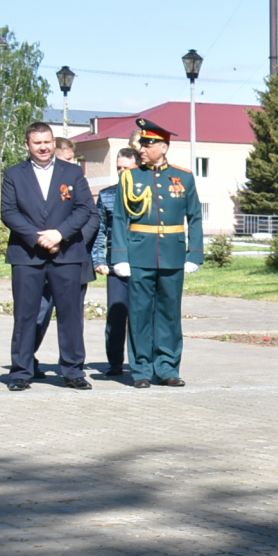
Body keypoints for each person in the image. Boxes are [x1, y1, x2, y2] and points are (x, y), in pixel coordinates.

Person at [3, 122, 96, 391]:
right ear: (27, 145)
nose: (43, 147)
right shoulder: (14, 174)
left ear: (53, 142)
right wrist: (37, 237)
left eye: (47, 141)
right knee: (25, 315)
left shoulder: (73, 172)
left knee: (70, 314)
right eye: (37, 142)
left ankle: (72, 370)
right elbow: (8, 212)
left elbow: (83, 209)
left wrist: (59, 234)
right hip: (27, 255)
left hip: (66, 253)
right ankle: (21, 372)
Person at [113, 119, 203, 388]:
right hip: (140, 255)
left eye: (149, 144)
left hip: (173, 256)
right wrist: (120, 256)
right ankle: (141, 369)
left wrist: (194, 254)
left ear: (163, 147)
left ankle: (167, 367)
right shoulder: (130, 177)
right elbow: (119, 217)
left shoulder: (183, 177)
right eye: (142, 143)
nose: (142, 148)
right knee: (139, 314)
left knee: (169, 314)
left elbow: (195, 217)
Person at [90, 147, 137, 376]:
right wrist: (98, 259)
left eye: (126, 168)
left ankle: (140, 363)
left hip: (143, 264)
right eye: (118, 168)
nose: (122, 172)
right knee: (116, 315)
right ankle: (115, 363)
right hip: (115, 264)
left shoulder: (146, 194)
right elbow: (100, 230)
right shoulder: (107, 195)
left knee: (141, 316)